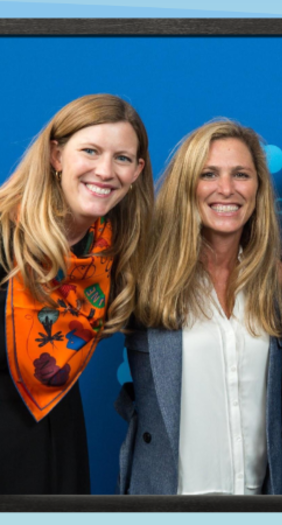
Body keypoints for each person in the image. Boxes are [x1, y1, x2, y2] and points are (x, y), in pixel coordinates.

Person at [116, 119, 282, 495]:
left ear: (258, 188)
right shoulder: (145, 273)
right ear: (186, 185)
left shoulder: (271, 276)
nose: (226, 189)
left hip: (257, 502)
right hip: (168, 504)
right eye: (208, 174)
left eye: (241, 174)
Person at [0, 94, 153, 494]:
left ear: (136, 171)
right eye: (90, 151)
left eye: (122, 158)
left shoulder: (113, 253)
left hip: (56, 436)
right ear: (56, 155)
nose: (105, 171)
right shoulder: (4, 235)